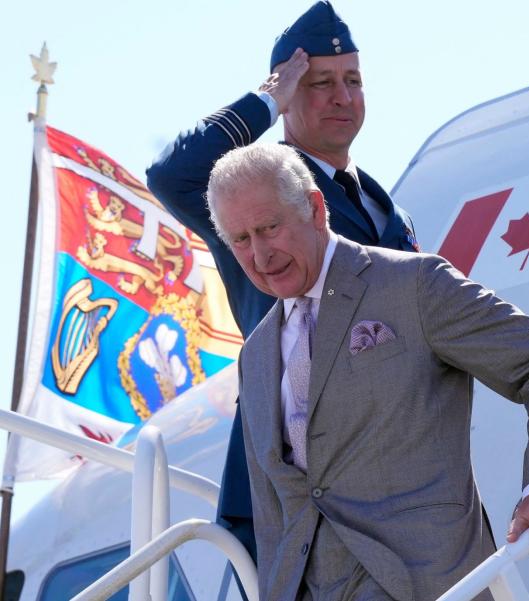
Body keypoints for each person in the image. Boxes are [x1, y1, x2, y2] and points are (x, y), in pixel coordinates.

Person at [205, 142, 529, 601]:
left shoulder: (413, 285)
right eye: (241, 240)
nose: (260, 255)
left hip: (430, 584)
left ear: (314, 208)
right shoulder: (256, 355)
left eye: (270, 228)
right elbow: (275, 514)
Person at [145, 1, 419, 566]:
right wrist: (266, 97)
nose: (343, 96)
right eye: (320, 83)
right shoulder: (249, 191)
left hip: (396, 477)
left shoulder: (384, 207)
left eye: (353, 80)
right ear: (289, 93)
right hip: (295, 480)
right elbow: (174, 173)